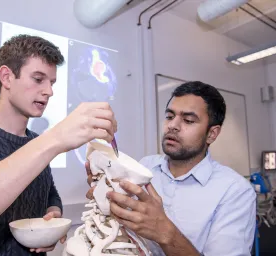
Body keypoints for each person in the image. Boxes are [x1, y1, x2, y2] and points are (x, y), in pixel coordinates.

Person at [0, 34, 117, 256]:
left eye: (52, 83)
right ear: (7, 77)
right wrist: (54, 138)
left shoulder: (36, 142)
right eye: (38, 79)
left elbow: (49, 194)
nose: (49, 91)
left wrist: (53, 215)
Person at [86, 81, 256, 255]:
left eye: (188, 120)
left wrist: (166, 233)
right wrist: (106, 193)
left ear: (211, 134)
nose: (172, 125)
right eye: (169, 116)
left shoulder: (235, 192)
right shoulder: (146, 166)